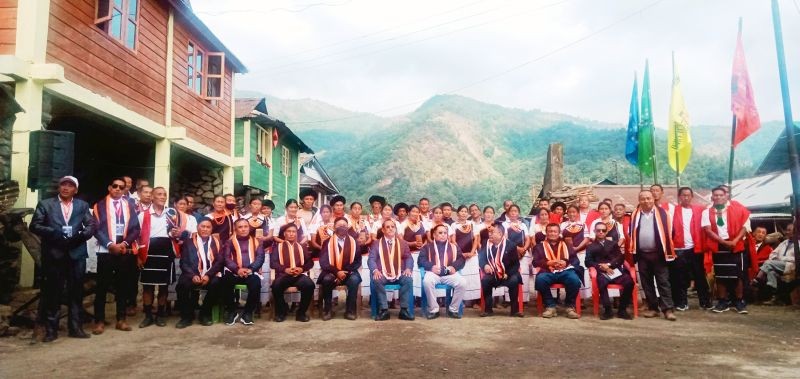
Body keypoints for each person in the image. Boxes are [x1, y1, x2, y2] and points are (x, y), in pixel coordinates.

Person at [30, 176, 97, 341]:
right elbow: (35, 225)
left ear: (76, 190)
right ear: (59, 188)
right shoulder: (46, 204)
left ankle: (75, 328)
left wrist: (80, 237)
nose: (66, 188)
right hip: (54, 253)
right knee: (54, 292)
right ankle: (51, 331)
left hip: (76, 253)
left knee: (76, 291)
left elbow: (91, 225)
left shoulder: (82, 205)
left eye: (70, 185)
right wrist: (54, 233)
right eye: (63, 185)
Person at [92, 177, 141, 334]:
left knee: (123, 287)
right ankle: (99, 321)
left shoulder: (130, 205)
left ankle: (121, 320)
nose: (118, 189)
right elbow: (96, 228)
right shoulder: (99, 205)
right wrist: (109, 245)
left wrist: (124, 244)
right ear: (109, 188)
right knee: (102, 287)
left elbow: (135, 228)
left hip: (123, 250)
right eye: (115, 186)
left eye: (121, 187)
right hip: (106, 251)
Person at [136, 187, 183, 328]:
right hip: (148, 252)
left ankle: (160, 315)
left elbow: (177, 234)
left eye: (164, 195)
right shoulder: (143, 215)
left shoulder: (172, 214)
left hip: (166, 251)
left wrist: (176, 233)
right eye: (159, 194)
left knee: (164, 286)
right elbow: (137, 238)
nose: (162, 197)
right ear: (152, 197)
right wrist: (138, 256)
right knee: (148, 286)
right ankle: (148, 316)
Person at [703, 186, 751, 314]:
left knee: (738, 275)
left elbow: (745, 226)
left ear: (726, 196)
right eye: (715, 195)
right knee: (720, 275)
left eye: (721, 195)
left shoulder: (738, 209)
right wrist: (723, 242)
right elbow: (707, 230)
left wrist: (734, 241)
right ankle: (722, 301)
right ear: (712, 197)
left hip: (736, 244)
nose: (718, 197)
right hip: (718, 245)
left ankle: (739, 301)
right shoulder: (707, 211)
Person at [629, 190, 677, 321]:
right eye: (643, 199)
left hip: (659, 255)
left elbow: (671, 233)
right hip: (642, 255)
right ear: (639, 201)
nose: (646, 201)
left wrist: (662, 247)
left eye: (648, 198)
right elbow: (631, 233)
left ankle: (668, 310)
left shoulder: (663, 214)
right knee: (647, 283)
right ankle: (653, 308)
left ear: (653, 199)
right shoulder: (635, 215)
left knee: (663, 282)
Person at [175, 219, 224, 328]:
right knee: (181, 286)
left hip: (210, 274)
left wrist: (208, 275)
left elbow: (219, 262)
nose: (205, 229)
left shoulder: (217, 242)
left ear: (212, 229)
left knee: (217, 284)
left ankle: (205, 313)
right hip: (192, 274)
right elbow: (184, 262)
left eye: (208, 227)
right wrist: (192, 275)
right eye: (203, 226)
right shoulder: (188, 242)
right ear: (198, 227)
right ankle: (187, 316)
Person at [670, 187, 710, 311]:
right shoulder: (673, 211)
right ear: (679, 197)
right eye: (683, 195)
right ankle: (681, 302)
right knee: (680, 277)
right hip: (679, 248)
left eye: (688, 195)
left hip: (695, 248)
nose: (686, 197)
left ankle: (705, 302)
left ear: (692, 196)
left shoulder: (700, 210)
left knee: (699, 276)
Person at [367, 219, 415, 321]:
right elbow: (371, 259)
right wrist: (375, 270)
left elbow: (408, 258)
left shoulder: (402, 243)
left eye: (392, 227)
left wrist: (408, 268)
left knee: (408, 279)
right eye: (387, 227)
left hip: (399, 272)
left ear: (396, 229)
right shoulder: (376, 243)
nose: (390, 229)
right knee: (377, 279)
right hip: (382, 273)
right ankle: (384, 310)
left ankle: (404, 310)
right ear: (383, 230)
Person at [533, 223, 582, 319]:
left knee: (574, 280)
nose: (552, 233)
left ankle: (569, 307)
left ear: (559, 233)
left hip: (565, 271)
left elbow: (575, 260)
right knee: (540, 279)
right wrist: (548, 263)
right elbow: (535, 262)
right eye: (550, 231)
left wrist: (565, 263)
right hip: (548, 271)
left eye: (555, 231)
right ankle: (550, 306)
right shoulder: (539, 246)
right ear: (546, 233)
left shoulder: (567, 245)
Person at [221, 219, 266, 325]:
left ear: (249, 228)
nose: (243, 229)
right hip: (234, 271)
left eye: (245, 226)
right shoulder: (229, 242)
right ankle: (232, 311)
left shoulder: (257, 241)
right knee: (225, 282)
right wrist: (237, 270)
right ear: (235, 229)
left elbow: (260, 258)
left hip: (251, 272)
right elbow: (226, 258)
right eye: (240, 227)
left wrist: (250, 269)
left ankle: (248, 313)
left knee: (256, 284)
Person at [585, 223, 633, 320]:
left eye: (603, 230)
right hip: (601, 271)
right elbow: (588, 262)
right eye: (598, 230)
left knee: (629, 282)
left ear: (606, 232)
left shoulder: (613, 244)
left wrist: (609, 265)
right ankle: (607, 310)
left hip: (614, 270)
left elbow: (620, 258)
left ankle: (622, 309)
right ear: (594, 232)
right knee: (601, 282)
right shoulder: (590, 246)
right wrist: (602, 267)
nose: (601, 232)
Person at [318, 217, 362, 320]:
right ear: (334, 227)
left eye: (344, 225)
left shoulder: (354, 242)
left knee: (354, 280)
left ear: (348, 228)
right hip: (331, 272)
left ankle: (350, 311)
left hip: (349, 272)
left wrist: (346, 271)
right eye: (339, 225)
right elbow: (323, 262)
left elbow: (357, 261)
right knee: (327, 279)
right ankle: (328, 310)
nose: (342, 227)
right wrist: (337, 272)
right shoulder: (327, 242)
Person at [419, 224, 466, 319]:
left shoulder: (454, 246)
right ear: (434, 235)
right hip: (433, 273)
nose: (443, 235)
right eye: (440, 233)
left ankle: (453, 309)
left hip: (449, 274)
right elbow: (421, 260)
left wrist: (454, 267)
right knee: (427, 281)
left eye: (445, 233)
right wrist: (431, 266)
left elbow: (461, 259)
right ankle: (434, 310)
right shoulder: (427, 247)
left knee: (462, 283)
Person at [271, 223, 315, 322]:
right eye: (289, 232)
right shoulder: (277, 247)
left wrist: (301, 269)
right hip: (283, 275)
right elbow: (273, 263)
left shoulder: (302, 247)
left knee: (309, 285)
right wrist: (284, 269)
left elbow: (310, 263)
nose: (291, 234)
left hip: (298, 276)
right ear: (284, 234)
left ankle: (301, 313)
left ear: (296, 234)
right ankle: (281, 312)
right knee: (276, 286)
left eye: (294, 232)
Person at [478, 222, 523, 317]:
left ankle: (515, 310)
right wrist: (485, 265)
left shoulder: (511, 245)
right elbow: (481, 259)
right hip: (493, 273)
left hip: (507, 274)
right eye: (489, 232)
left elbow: (516, 264)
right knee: (485, 280)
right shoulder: (486, 244)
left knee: (514, 280)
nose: (489, 234)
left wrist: (508, 274)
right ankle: (488, 310)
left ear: (500, 234)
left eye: (492, 232)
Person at [751, 223, 795, 305]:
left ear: (795, 231)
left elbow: (796, 259)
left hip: (791, 266)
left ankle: (757, 279)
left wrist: (781, 259)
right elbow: (773, 254)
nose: (787, 232)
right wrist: (776, 260)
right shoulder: (784, 243)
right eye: (787, 230)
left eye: (789, 230)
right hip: (779, 265)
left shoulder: (798, 244)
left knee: (768, 263)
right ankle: (774, 297)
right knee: (771, 272)